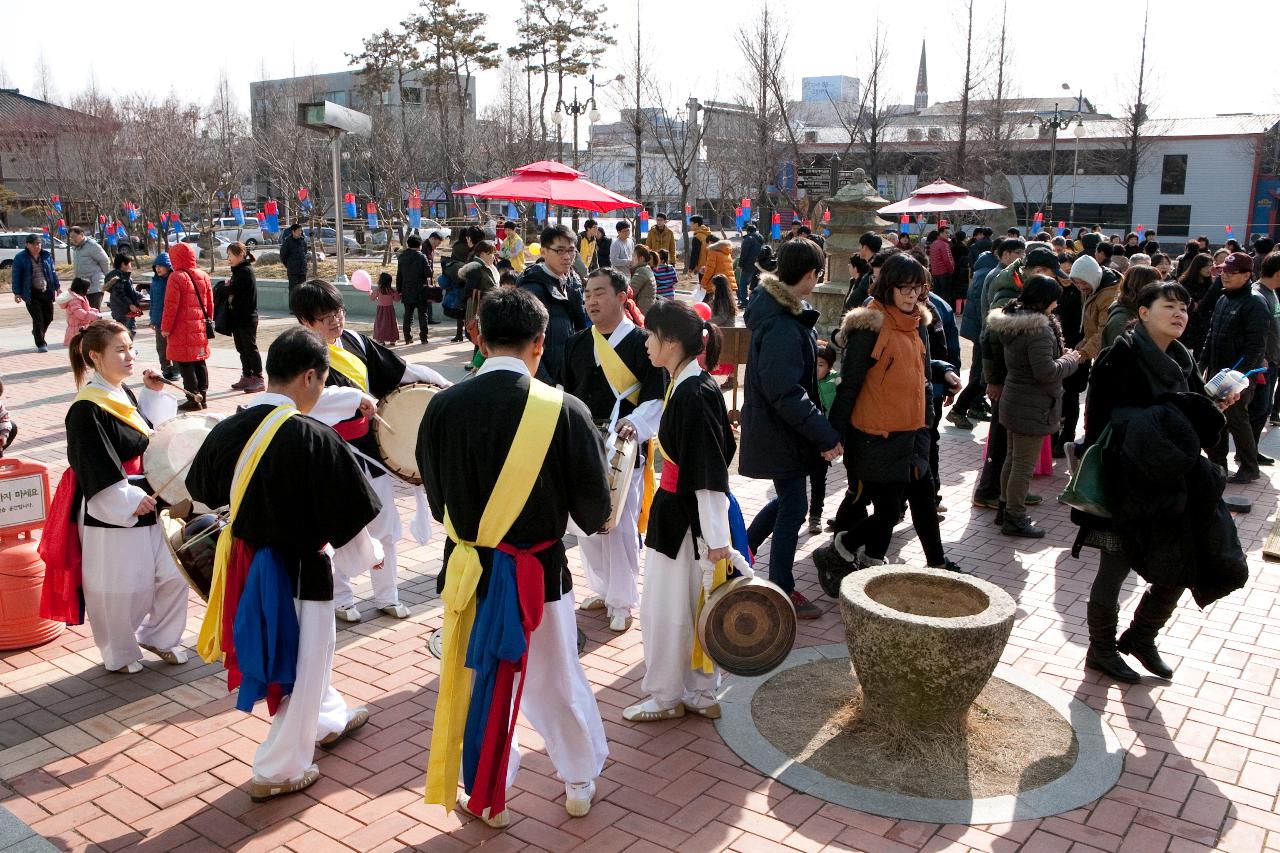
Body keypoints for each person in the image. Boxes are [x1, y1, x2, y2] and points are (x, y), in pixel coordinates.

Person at [418, 288, 611, 825]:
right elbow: (595, 511)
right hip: (540, 575)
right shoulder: (566, 411)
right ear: (540, 344)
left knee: (477, 679)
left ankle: (486, 783)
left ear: (477, 335)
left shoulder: (441, 407)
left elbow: (438, 504)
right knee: (557, 678)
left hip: (469, 571)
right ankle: (578, 779)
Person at [187, 327, 382, 802]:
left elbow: (201, 496)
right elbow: (350, 519)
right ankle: (278, 769)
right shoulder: (312, 436)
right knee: (306, 658)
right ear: (311, 376)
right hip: (300, 568)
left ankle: (328, 717)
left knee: (302, 657)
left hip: (245, 563)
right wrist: (369, 558)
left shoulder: (227, 428)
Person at [1077, 282, 1247, 683]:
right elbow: (1102, 424)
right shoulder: (1119, 358)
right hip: (1126, 481)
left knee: (1179, 561)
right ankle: (1100, 650)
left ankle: (1140, 636)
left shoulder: (1182, 358)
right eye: (1169, 306)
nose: (1179, 314)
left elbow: (1189, 421)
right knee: (1114, 568)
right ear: (1142, 313)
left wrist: (1213, 406)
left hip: (1173, 482)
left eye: (1184, 308)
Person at [289, 279, 448, 621]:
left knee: (385, 524)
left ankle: (387, 594)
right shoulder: (298, 353)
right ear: (305, 321)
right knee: (337, 528)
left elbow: (401, 371)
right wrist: (352, 398)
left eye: (338, 311)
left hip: (371, 449)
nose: (335, 321)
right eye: (324, 317)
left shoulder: (355, 341)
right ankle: (341, 598)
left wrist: (442, 385)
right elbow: (303, 402)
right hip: (328, 452)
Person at [814, 254, 963, 591]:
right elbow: (849, 385)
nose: (912, 296)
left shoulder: (918, 324)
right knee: (887, 511)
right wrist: (834, 436)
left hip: (913, 432)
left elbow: (923, 377)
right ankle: (841, 550)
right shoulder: (870, 325)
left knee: (918, 498)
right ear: (888, 288)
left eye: (917, 288)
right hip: (875, 437)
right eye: (904, 289)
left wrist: (928, 420)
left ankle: (918, 562)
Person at [624, 299, 737, 723]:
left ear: (671, 342)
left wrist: (716, 540)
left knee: (668, 610)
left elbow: (708, 470)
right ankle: (696, 691)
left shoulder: (693, 391)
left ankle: (669, 695)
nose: (647, 344)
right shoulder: (685, 383)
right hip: (683, 516)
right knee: (688, 605)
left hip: (686, 520)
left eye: (651, 336)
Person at [62, 319, 187, 674]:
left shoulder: (122, 393)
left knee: (172, 574)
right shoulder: (86, 408)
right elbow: (93, 465)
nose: (130, 355)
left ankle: (161, 637)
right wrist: (127, 498)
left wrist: (154, 394)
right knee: (120, 585)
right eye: (120, 350)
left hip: (148, 496)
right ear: (95, 357)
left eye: (131, 347)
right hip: (114, 505)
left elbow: (150, 436)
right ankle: (119, 651)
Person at [740, 238, 843, 620]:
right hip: (780, 431)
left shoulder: (779, 311)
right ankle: (781, 586)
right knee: (794, 505)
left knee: (788, 501)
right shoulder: (782, 322)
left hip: (779, 430)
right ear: (812, 274)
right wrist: (824, 433)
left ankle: (744, 551)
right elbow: (784, 391)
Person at [560, 268, 664, 632]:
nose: (590, 300)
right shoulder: (575, 343)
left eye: (600, 293)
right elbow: (566, 396)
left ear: (623, 297)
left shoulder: (643, 344)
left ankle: (623, 600)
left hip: (624, 447)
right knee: (586, 523)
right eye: (587, 293)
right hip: (585, 444)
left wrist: (636, 424)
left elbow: (656, 398)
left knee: (619, 525)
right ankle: (603, 590)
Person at [985, 276, 1081, 538]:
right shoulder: (1038, 329)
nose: (1056, 304)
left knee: (1013, 460)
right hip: (1033, 404)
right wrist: (1070, 360)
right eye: (1054, 299)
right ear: (1044, 300)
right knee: (1022, 466)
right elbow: (1046, 371)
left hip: (1016, 399)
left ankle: (1005, 509)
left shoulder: (1015, 321)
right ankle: (1015, 518)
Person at [972, 246, 1061, 510]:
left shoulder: (1017, 286)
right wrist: (995, 380)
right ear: (1038, 272)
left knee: (1010, 448)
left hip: (1017, 381)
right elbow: (991, 339)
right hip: (1012, 382)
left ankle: (1010, 494)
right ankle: (994, 494)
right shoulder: (1010, 294)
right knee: (1004, 445)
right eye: (1050, 274)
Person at [1200, 252, 1269, 483]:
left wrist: (1239, 377)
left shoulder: (1255, 302)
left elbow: (1256, 346)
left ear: (1247, 275)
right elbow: (1211, 334)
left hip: (1238, 375)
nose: (1225, 276)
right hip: (1217, 370)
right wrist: (1202, 363)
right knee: (1216, 415)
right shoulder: (1223, 298)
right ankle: (1218, 463)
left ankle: (1249, 467)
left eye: (1231, 273)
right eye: (1222, 271)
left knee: (1237, 419)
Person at [951, 238, 1025, 428]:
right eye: (1018, 253)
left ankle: (971, 407)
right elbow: (993, 309)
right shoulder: (999, 275)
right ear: (1006, 254)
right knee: (980, 377)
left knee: (981, 376)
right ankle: (958, 410)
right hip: (988, 334)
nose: (1021, 257)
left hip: (986, 333)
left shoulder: (1004, 273)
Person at [519, 224, 587, 384]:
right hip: (546, 380)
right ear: (543, 252)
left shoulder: (573, 281)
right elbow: (526, 343)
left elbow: (580, 328)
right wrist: (547, 383)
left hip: (570, 374)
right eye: (560, 250)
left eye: (571, 250)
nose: (567, 256)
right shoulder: (531, 287)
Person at [1055, 255, 1101, 456]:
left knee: (1071, 395)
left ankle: (1067, 436)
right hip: (1057, 351)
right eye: (1062, 272)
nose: (1065, 277)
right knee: (1058, 396)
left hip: (1079, 351)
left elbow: (1092, 328)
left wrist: (1081, 351)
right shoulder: (1053, 290)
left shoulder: (1084, 292)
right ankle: (1054, 436)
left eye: (1069, 272)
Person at [159, 242, 212, 412]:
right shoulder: (204, 275)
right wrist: (208, 320)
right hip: (199, 326)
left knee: (185, 363)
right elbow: (210, 303)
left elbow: (170, 307)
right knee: (200, 361)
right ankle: (203, 397)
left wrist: (165, 328)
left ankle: (192, 398)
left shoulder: (176, 277)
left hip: (180, 328)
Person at [1248, 252, 1280, 447]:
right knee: (1258, 409)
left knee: (1263, 409)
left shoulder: (1272, 291)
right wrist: (1262, 358)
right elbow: (1255, 332)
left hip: (1272, 360)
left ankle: (1251, 450)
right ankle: (1246, 454)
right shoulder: (1257, 294)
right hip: (1262, 363)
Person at [224, 242, 264, 393]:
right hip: (237, 317)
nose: (229, 258)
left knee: (250, 347)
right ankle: (247, 375)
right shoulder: (238, 271)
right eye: (228, 255)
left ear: (240, 254)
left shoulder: (245, 271)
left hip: (247, 317)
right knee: (241, 348)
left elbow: (234, 289)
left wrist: (224, 288)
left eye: (230, 255)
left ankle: (258, 378)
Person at [809, 340, 839, 534]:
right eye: (813, 364)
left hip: (823, 441)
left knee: (818, 480)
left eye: (820, 365)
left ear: (829, 367)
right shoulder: (802, 383)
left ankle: (815, 516)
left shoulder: (836, 383)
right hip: (805, 439)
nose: (816, 369)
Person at [10, 233, 59, 352]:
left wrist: (57, 287)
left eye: (38, 243)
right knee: (38, 319)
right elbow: (16, 276)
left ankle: (37, 332)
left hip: (46, 291)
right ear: (27, 245)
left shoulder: (46, 255)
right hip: (31, 293)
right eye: (33, 244)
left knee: (49, 317)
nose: (36, 246)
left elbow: (52, 272)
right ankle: (41, 343)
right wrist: (17, 293)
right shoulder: (20, 258)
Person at [1103, 265, 1163, 349]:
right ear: (1140, 288)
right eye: (1157, 286)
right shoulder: (1120, 320)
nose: (1161, 291)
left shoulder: (1143, 312)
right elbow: (1117, 358)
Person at [1178, 253, 1216, 355]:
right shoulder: (1184, 284)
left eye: (1211, 265)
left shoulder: (1211, 285)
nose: (1209, 269)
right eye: (1206, 266)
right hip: (1187, 324)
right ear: (1198, 266)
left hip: (1204, 325)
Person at [396, 234, 430, 344]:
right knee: (422, 314)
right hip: (420, 290)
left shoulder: (402, 257)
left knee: (408, 315)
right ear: (419, 245)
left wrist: (399, 290)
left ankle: (407, 337)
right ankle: (423, 338)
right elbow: (428, 273)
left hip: (406, 290)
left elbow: (399, 275)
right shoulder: (421, 257)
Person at [148, 252, 176, 380]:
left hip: (172, 321)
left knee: (174, 346)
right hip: (159, 320)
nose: (158, 268)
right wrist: (152, 319)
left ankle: (176, 370)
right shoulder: (154, 282)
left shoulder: (173, 279)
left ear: (168, 266)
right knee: (161, 347)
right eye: (156, 266)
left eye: (161, 266)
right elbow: (153, 301)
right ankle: (165, 369)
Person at [69, 226, 110, 309]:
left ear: (81, 234)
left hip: (94, 286)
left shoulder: (92, 246)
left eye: (74, 237)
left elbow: (105, 261)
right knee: (86, 314)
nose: (73, 240)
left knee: (94, 313)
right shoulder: (76, 248)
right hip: (82, 287)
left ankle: (99, 323)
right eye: (71, 238)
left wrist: (105, 277)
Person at [57, 277, 100, 347]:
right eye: (87, 288)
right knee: (78, 350)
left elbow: (86, 309)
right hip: (76, 331)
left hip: (81, 328)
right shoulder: (74, 300)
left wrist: (95, 312)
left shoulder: (80, 297)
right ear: (81, 289)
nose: (88, 290)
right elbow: (80, 313)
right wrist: (93, 316)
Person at [370, 271, 401, 346]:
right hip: (390, 309)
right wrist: (399, 294)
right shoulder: (392, 290)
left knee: (380, 324)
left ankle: (381, 340)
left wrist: (370, 292)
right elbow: (397, 299)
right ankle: (392, 340)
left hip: (381, 310)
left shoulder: (378, 290)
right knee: (392, 324)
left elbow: (372, 298)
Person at [928, 224, 957, 304]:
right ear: (940, 233)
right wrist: (952, 270)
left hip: (935, 272)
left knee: (937, 294)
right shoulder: (944, 244)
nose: (948, 235)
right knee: (946, 296)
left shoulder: (933, 244)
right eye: (946, 233)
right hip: (944, 273)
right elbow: (947, 260)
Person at [737, 222, 764, 305]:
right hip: (759, 265)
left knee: (743, 283)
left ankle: (744, 301)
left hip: (748, 265)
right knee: (755, 283)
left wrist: (740, 264)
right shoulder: (761, 239)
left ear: (748, 231)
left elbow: (744, 254)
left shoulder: (748, 239)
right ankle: (755, 301)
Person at [280, 223, 310, 291]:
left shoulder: (303, 241)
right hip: (293, 272)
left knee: (303, 291)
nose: (300, 233)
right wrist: (290, 265)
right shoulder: (287, 242)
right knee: (293, 291)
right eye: (298, 231)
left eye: (301, 231)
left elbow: (304, 252)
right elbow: (283, 256)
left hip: (302, 271)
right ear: (293, 232)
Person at [630, 245, 657, 313]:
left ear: (641, 258)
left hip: (642, 311)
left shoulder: (641, 271)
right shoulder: (646, 269)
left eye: (634, 256)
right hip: (647, 309)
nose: (632, 259)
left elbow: (630, 292)